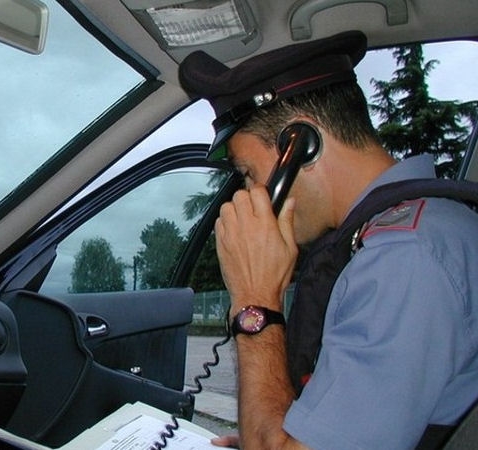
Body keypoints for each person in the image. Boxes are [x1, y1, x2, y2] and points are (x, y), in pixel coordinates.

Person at [178, 31, 478, 449]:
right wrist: (269, 433)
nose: (249, 193)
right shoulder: (401, 237)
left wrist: (254, 302)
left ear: (302, 145)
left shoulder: (405, 258)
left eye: (247, 173)